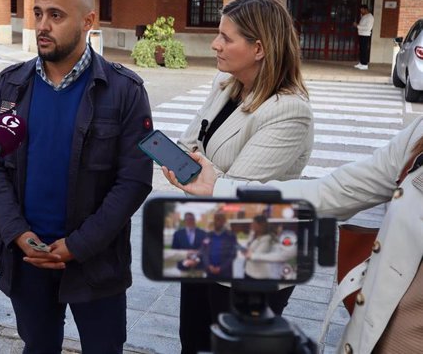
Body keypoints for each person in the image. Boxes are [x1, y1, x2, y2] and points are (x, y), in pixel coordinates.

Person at [0, 0, 153, 353]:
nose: (42, 26)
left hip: (95, 261)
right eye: (38, 13)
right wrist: (18, 235)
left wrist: (78, 245)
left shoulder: (124, 91)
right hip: (27, 257)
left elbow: (134, 181)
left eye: (55, 15)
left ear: (88, 21)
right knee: (38, 346)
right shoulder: (10, 87)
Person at [163, 114, 423, 353]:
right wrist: (220, 187)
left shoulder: (289, 110)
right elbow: (333, 191)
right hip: (380, 332)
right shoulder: (418, 133)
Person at [170, 0, 313, 354]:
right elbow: (190, 142)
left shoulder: (289, 111)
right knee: (194, 342)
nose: (215, 44)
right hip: (204, 237)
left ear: (259, 48)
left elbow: (243, 192)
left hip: (253, 255)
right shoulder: (226, 86)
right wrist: (199, 168)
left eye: (226, 37)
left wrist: (200, 171)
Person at [353, 4, 374, 70]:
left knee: (364, 50)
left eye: (362, 10)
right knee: (361, 49)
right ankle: (361, 62)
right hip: (361, 34)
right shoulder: (364, 16)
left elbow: (368, 28)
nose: (361, 11)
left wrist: (357, 26)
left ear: (365, 9)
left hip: (365, 35)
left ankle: (365, 64)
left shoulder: (370, 17)